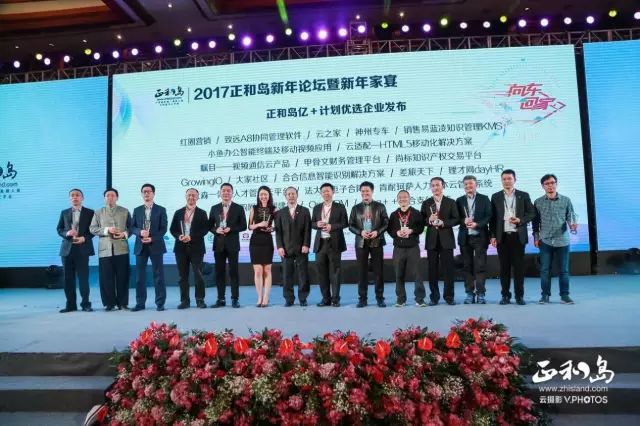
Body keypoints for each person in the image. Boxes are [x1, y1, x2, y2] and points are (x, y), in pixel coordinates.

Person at [490, 169, 536, 305]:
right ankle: (505, 295)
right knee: (504, 268)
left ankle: (519, 296)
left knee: (519, 269)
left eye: (509, 178)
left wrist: (520, 220)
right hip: (502, 237)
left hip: (518, 236)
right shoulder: (496, 196)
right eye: (504, 179)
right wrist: (492, 236)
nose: (507, 181)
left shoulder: (523, 195)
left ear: (515, 180)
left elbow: (532, 213)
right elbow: (492, 219)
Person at [533, 174, 577, 305]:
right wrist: (536, 238)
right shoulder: (538, 202)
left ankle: (565, 295)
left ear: (556, 184)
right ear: (543, 186)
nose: (550, 186)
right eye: (547, 184)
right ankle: (545, 295)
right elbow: (536, 223)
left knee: (564, 270)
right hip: (545, 241)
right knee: (545, 270)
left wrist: (572, 224)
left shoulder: (566, 200)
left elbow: (571, 217)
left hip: (562, 240)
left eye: (552, 183)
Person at [89, 188, 131, 311]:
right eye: (107, 195)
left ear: (117, 197)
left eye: (112, 195)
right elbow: (92, 229)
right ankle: (109, 303)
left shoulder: (124, 211)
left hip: (121, 248)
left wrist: (124, 234)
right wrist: (107, 230)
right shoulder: (98, 212)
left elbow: (131, 228)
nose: (110, 197)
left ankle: (123, 303)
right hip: (105, 250)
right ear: (104, 198)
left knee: (123, 277)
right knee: (106, 278)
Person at [348, 181, 389, 308]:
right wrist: (360, 232)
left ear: (372, 191)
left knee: (378, 272)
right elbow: (351, 225)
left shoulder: (380, 206)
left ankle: (380, 298)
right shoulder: (355, 208)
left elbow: (386, 223)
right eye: (363, 191)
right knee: (362, 272)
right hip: (361, 242)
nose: (365, 193)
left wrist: (377, 232)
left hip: (377, 241)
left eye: (367, 191)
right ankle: (362, 299)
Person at [421, 177, 460, 305]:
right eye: (433, 185)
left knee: (448, 270)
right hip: (431, 240)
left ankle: (449, 297)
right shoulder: (426, 203)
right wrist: (429, 220)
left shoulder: (450, 202)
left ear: (443, 186)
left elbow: (456, 219)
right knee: (432, 271)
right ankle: (434, 297)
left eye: (437, 185)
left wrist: (444, 223)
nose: (435, 188)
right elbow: (421, 220)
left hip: (446, 240)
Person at [56, 188, 95, 313]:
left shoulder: (90, 212)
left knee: (83, 279)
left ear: (82, 198)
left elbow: (93, 230)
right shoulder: (64, 212)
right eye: (72, 195)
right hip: (67, 250)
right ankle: (71, 305)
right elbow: (59, 229)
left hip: (82, 249)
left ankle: (86, 304)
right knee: (68, 280)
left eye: (77, 195)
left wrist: (84, 238)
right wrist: (67, 233)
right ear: (70, 198)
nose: (75, 197)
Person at [208, 183, 247, 308]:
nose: (226, 193)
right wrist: (216, 230)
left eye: (228, 191)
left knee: (234, 272)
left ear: (232, 193)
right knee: (219, 272)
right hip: (219, 244)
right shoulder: (214, 208)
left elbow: (244, 225)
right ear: (220, 193)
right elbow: (209, 225)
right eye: (223, 190)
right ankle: (221, 299)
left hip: (232, 244)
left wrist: (231, 228)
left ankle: (235, 299)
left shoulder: (238, 208)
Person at [170, 188, 209, 309]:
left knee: (199, 275)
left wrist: (191, 237)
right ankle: (185, 301)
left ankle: (200, 300)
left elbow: (205, 230)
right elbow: (173, 229)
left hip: (197, 248)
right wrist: (179, 236)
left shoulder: (202, 213)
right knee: (183, 276)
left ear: (197, 197)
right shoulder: (178, 212)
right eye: (189, 195)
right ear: (185, 196)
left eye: (194, 195)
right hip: (180, 248)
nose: (191, 197)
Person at [455, 176, 492, 305]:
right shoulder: (459, 200)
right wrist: (463, 221)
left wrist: (477, 224)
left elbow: (489, 216)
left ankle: (481, 293)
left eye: (471, 184)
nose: (468, 186)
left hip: (480, 237)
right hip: (465, 237)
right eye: (466, 184)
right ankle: (469, 293)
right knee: (467, 267)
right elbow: (456, 218)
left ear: (476, 185)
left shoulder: (484, 199)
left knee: (480, 266)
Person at [131, 184, 168, 312]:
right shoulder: (137, 210)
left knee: (159, 275)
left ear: (153, 194)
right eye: (144, 192)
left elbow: (163, 229)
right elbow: (132, 227)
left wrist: (152, 238)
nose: (146, 194)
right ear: (142, 194)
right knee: (140, 277)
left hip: (156, 245)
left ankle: (160, 303)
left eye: (149, 191)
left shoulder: (161, 209)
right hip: (140, 246)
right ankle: (140, 303)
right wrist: (140, 232)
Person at [311, 183, 348, 307]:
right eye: (323, 191)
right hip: (320, 244)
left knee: (335, 272)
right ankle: (325, 298)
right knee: (322, 273)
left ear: (333, 192)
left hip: (334, 243)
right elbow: (312, 223)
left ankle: (335, 299)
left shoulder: (340, 207)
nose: (326, 193)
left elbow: (345, 223)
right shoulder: (317, 208)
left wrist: (332, 226)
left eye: (328, 191)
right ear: (321, 193)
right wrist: (317, 224)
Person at [274, 186, 312, 307]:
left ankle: (303, 298)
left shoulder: (304, 211)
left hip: (301, 248)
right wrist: (279, 246)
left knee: (303, 275)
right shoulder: (280, 213)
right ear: (285, 196)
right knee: (286, 275)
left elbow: (308, 230)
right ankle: (289, 299)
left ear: (297, 195)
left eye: (293, 193)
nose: (291, 196)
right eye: (289, 194)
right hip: (286, 248)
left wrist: (306, 244)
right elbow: (278, 232)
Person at [388, 190, 426, 307]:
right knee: (399, 274)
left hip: (413, 247)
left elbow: (421, 227)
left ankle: (420, 299)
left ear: (409, 199)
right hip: (398, 248)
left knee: (417, 274)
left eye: (405, 197)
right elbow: (389, 229)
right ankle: (401, 299)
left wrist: (411, 231)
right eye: (400, 197)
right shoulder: (394, 215)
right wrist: (397, 232)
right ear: (397, 200)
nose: (403, 199)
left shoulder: (416, 213)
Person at [248, 186, 277, 307]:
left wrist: (271, 228)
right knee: (258, 271)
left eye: (265, 194)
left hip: (267, 240)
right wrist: (259, 224)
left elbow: (278, 226)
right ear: (258, 196)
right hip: (255, 240)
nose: (263, 196)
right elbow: (250, 226)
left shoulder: (274, 209)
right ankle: (259, 297)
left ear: (269, 196)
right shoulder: (253, 208)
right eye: (261, 194)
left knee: (267, 270)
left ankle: (266, 297)